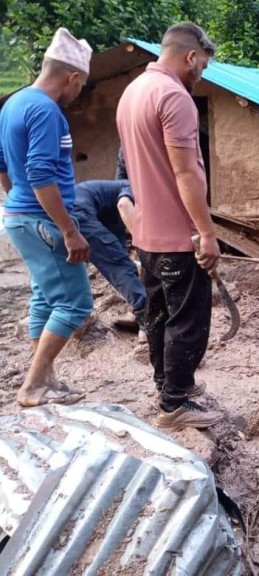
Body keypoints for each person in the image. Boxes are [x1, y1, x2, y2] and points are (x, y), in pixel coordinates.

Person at [116, 22, 222, 430]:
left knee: (158, 315)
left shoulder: (132, 92)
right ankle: (174, 404)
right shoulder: (174, 97)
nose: (200, 75)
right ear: (191, 57)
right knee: (188, 321)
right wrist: (207, 232)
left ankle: (168, 385)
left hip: (146, 235)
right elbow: (186, 174)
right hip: (180, 237)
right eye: (202, 67)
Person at [0, 27, 93, 407]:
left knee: (44, 297)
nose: (77, 94)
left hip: (22, 216)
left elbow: (3, 166)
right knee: (76, 303)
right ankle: (33, 385)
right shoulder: (45, 110)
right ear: (72, 77)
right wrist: (69, 230)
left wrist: (16, 201)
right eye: (80, 86)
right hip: (43, 221)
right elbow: (40, 174)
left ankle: (47, 379)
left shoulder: (14, 103)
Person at [72, 180, 146, 332]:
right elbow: (124, 205)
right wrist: (142, 243)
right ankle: (146, 317)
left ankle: (76, 319)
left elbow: (116, 240)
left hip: (60, 216)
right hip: (79, 213)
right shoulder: (133, 185)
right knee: (121, 266)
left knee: (74, 268)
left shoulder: (107, 204)